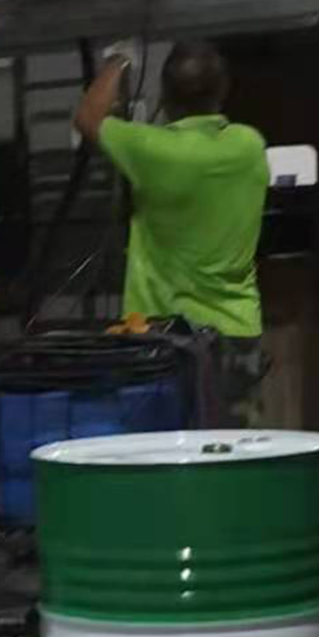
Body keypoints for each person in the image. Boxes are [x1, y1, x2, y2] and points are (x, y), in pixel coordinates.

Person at [74, 39, 270, 423]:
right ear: (223, 90)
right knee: (234, 444)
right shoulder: (248, 145)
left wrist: (119, 59)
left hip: (160, 335)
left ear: (164, 94)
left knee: (163, 445)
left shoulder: (150, 149)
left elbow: (87, 116)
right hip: (235, 328)